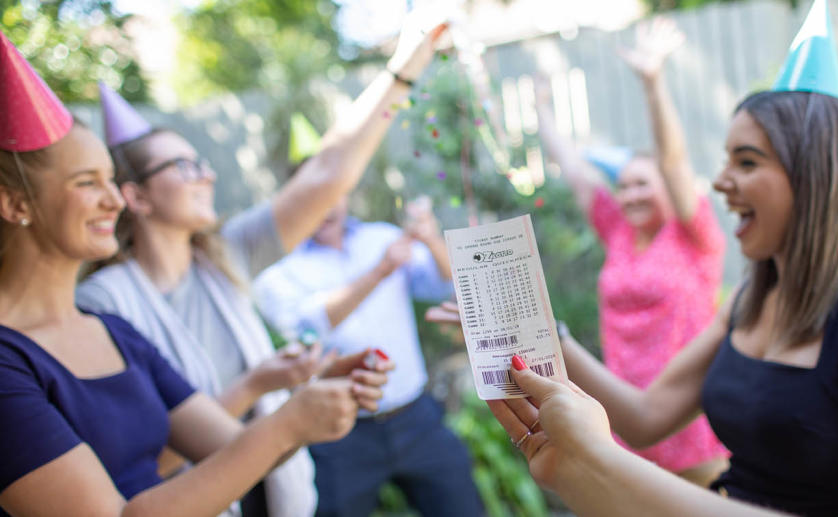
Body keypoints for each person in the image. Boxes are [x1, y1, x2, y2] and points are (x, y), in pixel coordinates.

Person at [430, 3, 838, 515]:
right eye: (726, 162)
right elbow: (645, 415)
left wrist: (595, 460)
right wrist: (545, 336)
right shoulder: (751, 299)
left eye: (746, 162)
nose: (722, 182)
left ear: (817, 175)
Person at [75, 18, 447, 517]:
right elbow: (138, 459)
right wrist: (258, 385)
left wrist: (403, 69)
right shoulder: (103, 304)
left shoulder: (226, 255)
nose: (206, 174)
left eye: (201, 162)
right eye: (183, 166)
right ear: (135, 196)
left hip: (272, 496)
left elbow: (328, 173)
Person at [0, 30, 375, 517]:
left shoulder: (115, 332)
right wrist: (288, 423)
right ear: (14, 203)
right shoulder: (11, 360)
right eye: (87, 183)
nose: (114, 201)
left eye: (111, 181)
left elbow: (239, 450)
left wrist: (316, 399)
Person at [534, 17, 727, 484]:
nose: (630, 196)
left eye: (642, 184)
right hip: (623, 412)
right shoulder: (617, 230)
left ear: (670, 186)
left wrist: (652, 83)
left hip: (687, 416)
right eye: (623, 187)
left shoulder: (694, 235)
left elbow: (674, 158)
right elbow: (576, 171)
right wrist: (541, 111)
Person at [253, 191, 483, 517]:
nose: (326, 206)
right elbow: (309, 326)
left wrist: (430, 238)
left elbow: (446, 285)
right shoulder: (281, 268)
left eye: (332, 193)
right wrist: (381, 270)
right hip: (339, 430)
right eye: (314, 196)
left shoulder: (381, 236)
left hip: (415, 415)